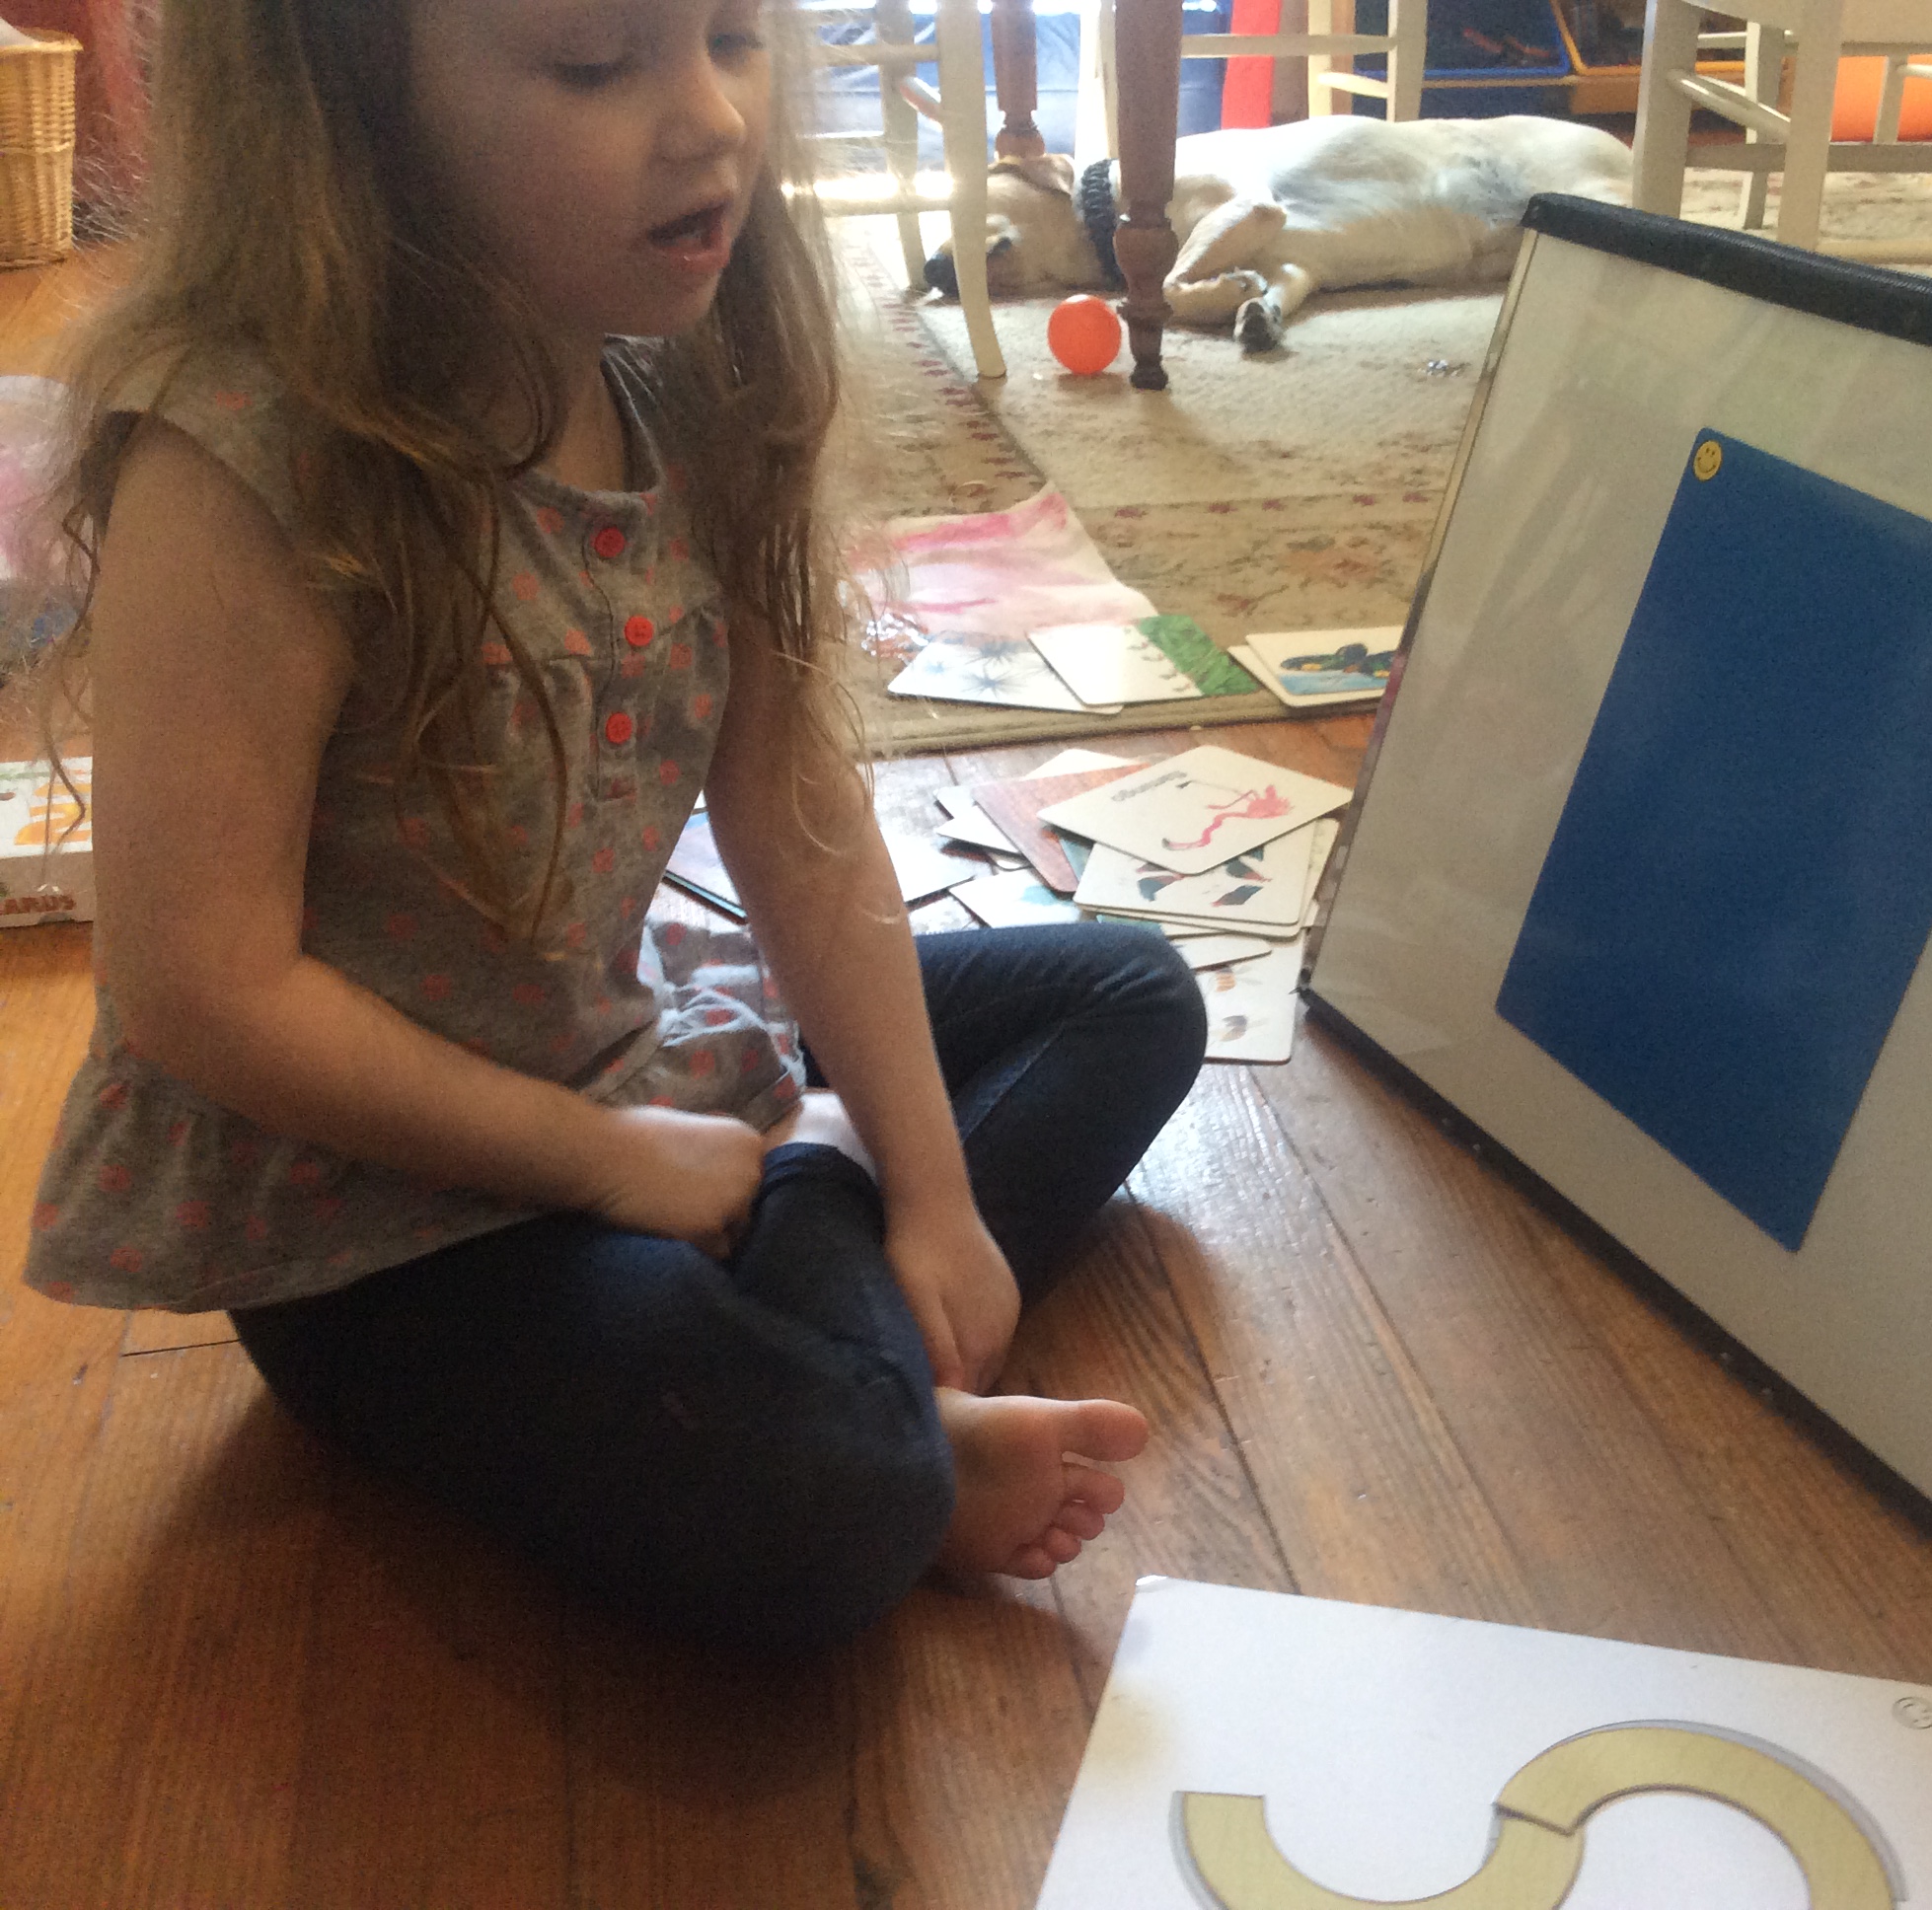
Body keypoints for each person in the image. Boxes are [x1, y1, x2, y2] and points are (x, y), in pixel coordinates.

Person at [12, 0, 1206, 1653]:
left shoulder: (688, 394)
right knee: (829, 1506)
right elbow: (198, 990)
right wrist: (614, 1160)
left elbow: (796, 815)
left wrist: (936, 1196)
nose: (711, 116)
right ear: (353, 107)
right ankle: (845, 1306)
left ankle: (829, 1269)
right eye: (596, 64)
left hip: (635, 1072)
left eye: (733, 35)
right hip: (372, 1220)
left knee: (1130, 995)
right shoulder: (245, 457)